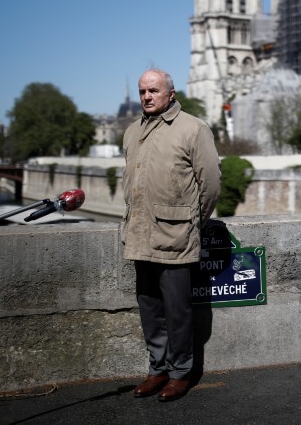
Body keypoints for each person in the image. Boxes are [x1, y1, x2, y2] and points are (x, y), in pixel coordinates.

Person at [121, 68, 221, 402]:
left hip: (176, 236)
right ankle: (158, 369)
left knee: (177, 312)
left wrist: (193, 223)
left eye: (153, 90)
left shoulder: (193, 129)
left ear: (171, 94)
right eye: (142, 91)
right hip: (139, 234)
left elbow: (210, 186)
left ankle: (180, 373)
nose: (147, 96)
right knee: (149, 308)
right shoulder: (132, 131)